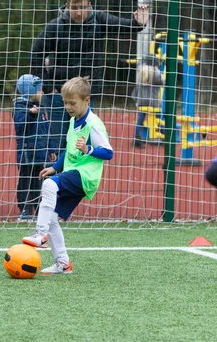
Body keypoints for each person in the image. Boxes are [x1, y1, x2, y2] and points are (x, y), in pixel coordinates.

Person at [30, 0, 149, 151]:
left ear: (89, 5)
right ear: (67, 5)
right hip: (58, 95)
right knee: (58, 146)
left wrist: (139, 24)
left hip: (84, 95)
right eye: (74, 8)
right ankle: (57, 175)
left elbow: (125, 26)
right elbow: (36, 54)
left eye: (83, 7)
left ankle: (78, 176)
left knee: (81, 145)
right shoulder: (54, 27)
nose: (79, 13)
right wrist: (47, 87)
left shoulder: (98, 20)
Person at [21, 77, 114, 275]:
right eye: (65, 103)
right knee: (53, 216)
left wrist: (88, 149)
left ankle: (40, 234)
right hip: (73, 174)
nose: (68, 107)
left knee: (48, 186)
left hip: (85, 176)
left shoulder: (93, 123)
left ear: (86, 100)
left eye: (73, 103)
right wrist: (54, 168)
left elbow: (108, 153)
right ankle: (63, 263)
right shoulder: (73, 121)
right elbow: (69, 149)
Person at [13, 74, 58, 219]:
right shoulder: (20, 108)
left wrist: (51, 148)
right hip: (27, 154)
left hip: (40, 153)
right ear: (30, 92)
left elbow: (46, 130)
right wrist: (31, 115)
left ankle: (40, 209)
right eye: (39, 91)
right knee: (25, 181)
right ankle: (24, 209)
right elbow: (20, 126)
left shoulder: (41, 108)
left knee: (39, 181)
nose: (42, 93)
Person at [131, 55, 164, 149]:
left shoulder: (141, 71)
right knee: (160, 118)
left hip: (141, 100)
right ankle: (164, 136)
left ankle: (136, 139)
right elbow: (163, 82)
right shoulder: (155, 73)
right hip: (152, 101)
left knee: (140, 120)